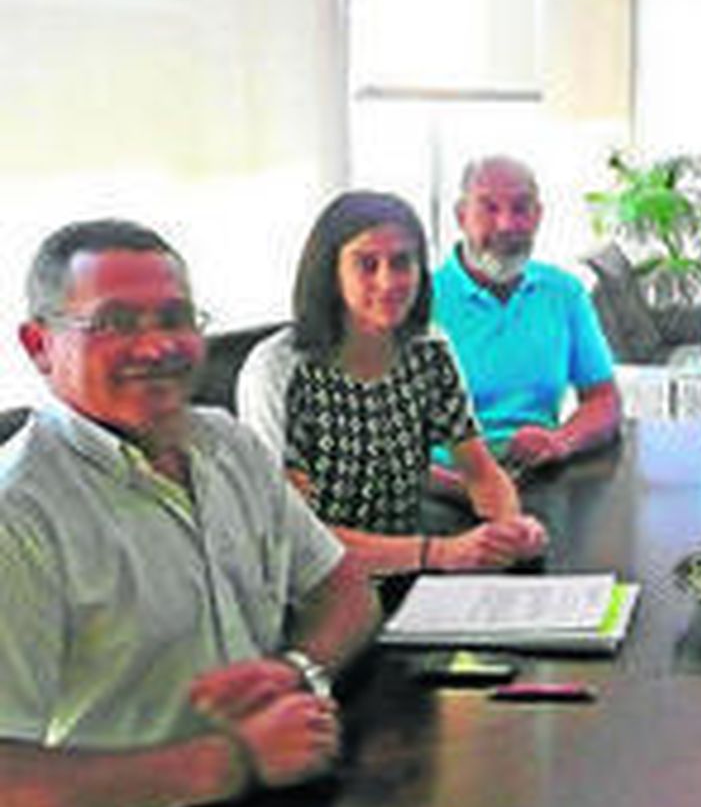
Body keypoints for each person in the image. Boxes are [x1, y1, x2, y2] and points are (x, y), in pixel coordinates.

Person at [0, 219, 379, 807]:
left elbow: (347, 592)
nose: (156, 348)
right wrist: (227, 763)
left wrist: (295, 670)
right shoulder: (18, 516)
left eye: (175, 317)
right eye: (116, 322)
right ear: (39, 345)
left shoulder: (227, 444)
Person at [237, 191, 546, 576]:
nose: (389, 282)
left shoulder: (429, 348)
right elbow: (293, 536)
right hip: (316, 590)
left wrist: (508, 528)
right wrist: (438, 553)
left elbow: (480, 470)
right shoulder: (279, 370)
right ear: (330, 271)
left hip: (406, 575)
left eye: (402, 262)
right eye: (367, 264)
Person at [432, 156, 620, 474]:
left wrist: (561, 441)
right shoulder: (418, 298)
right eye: (489, 208)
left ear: (538, 216)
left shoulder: (564, 292)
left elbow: (603, 398)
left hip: (538, 474)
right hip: (444, 485)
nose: (506, 225)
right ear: (461, 216)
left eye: (520, 208)